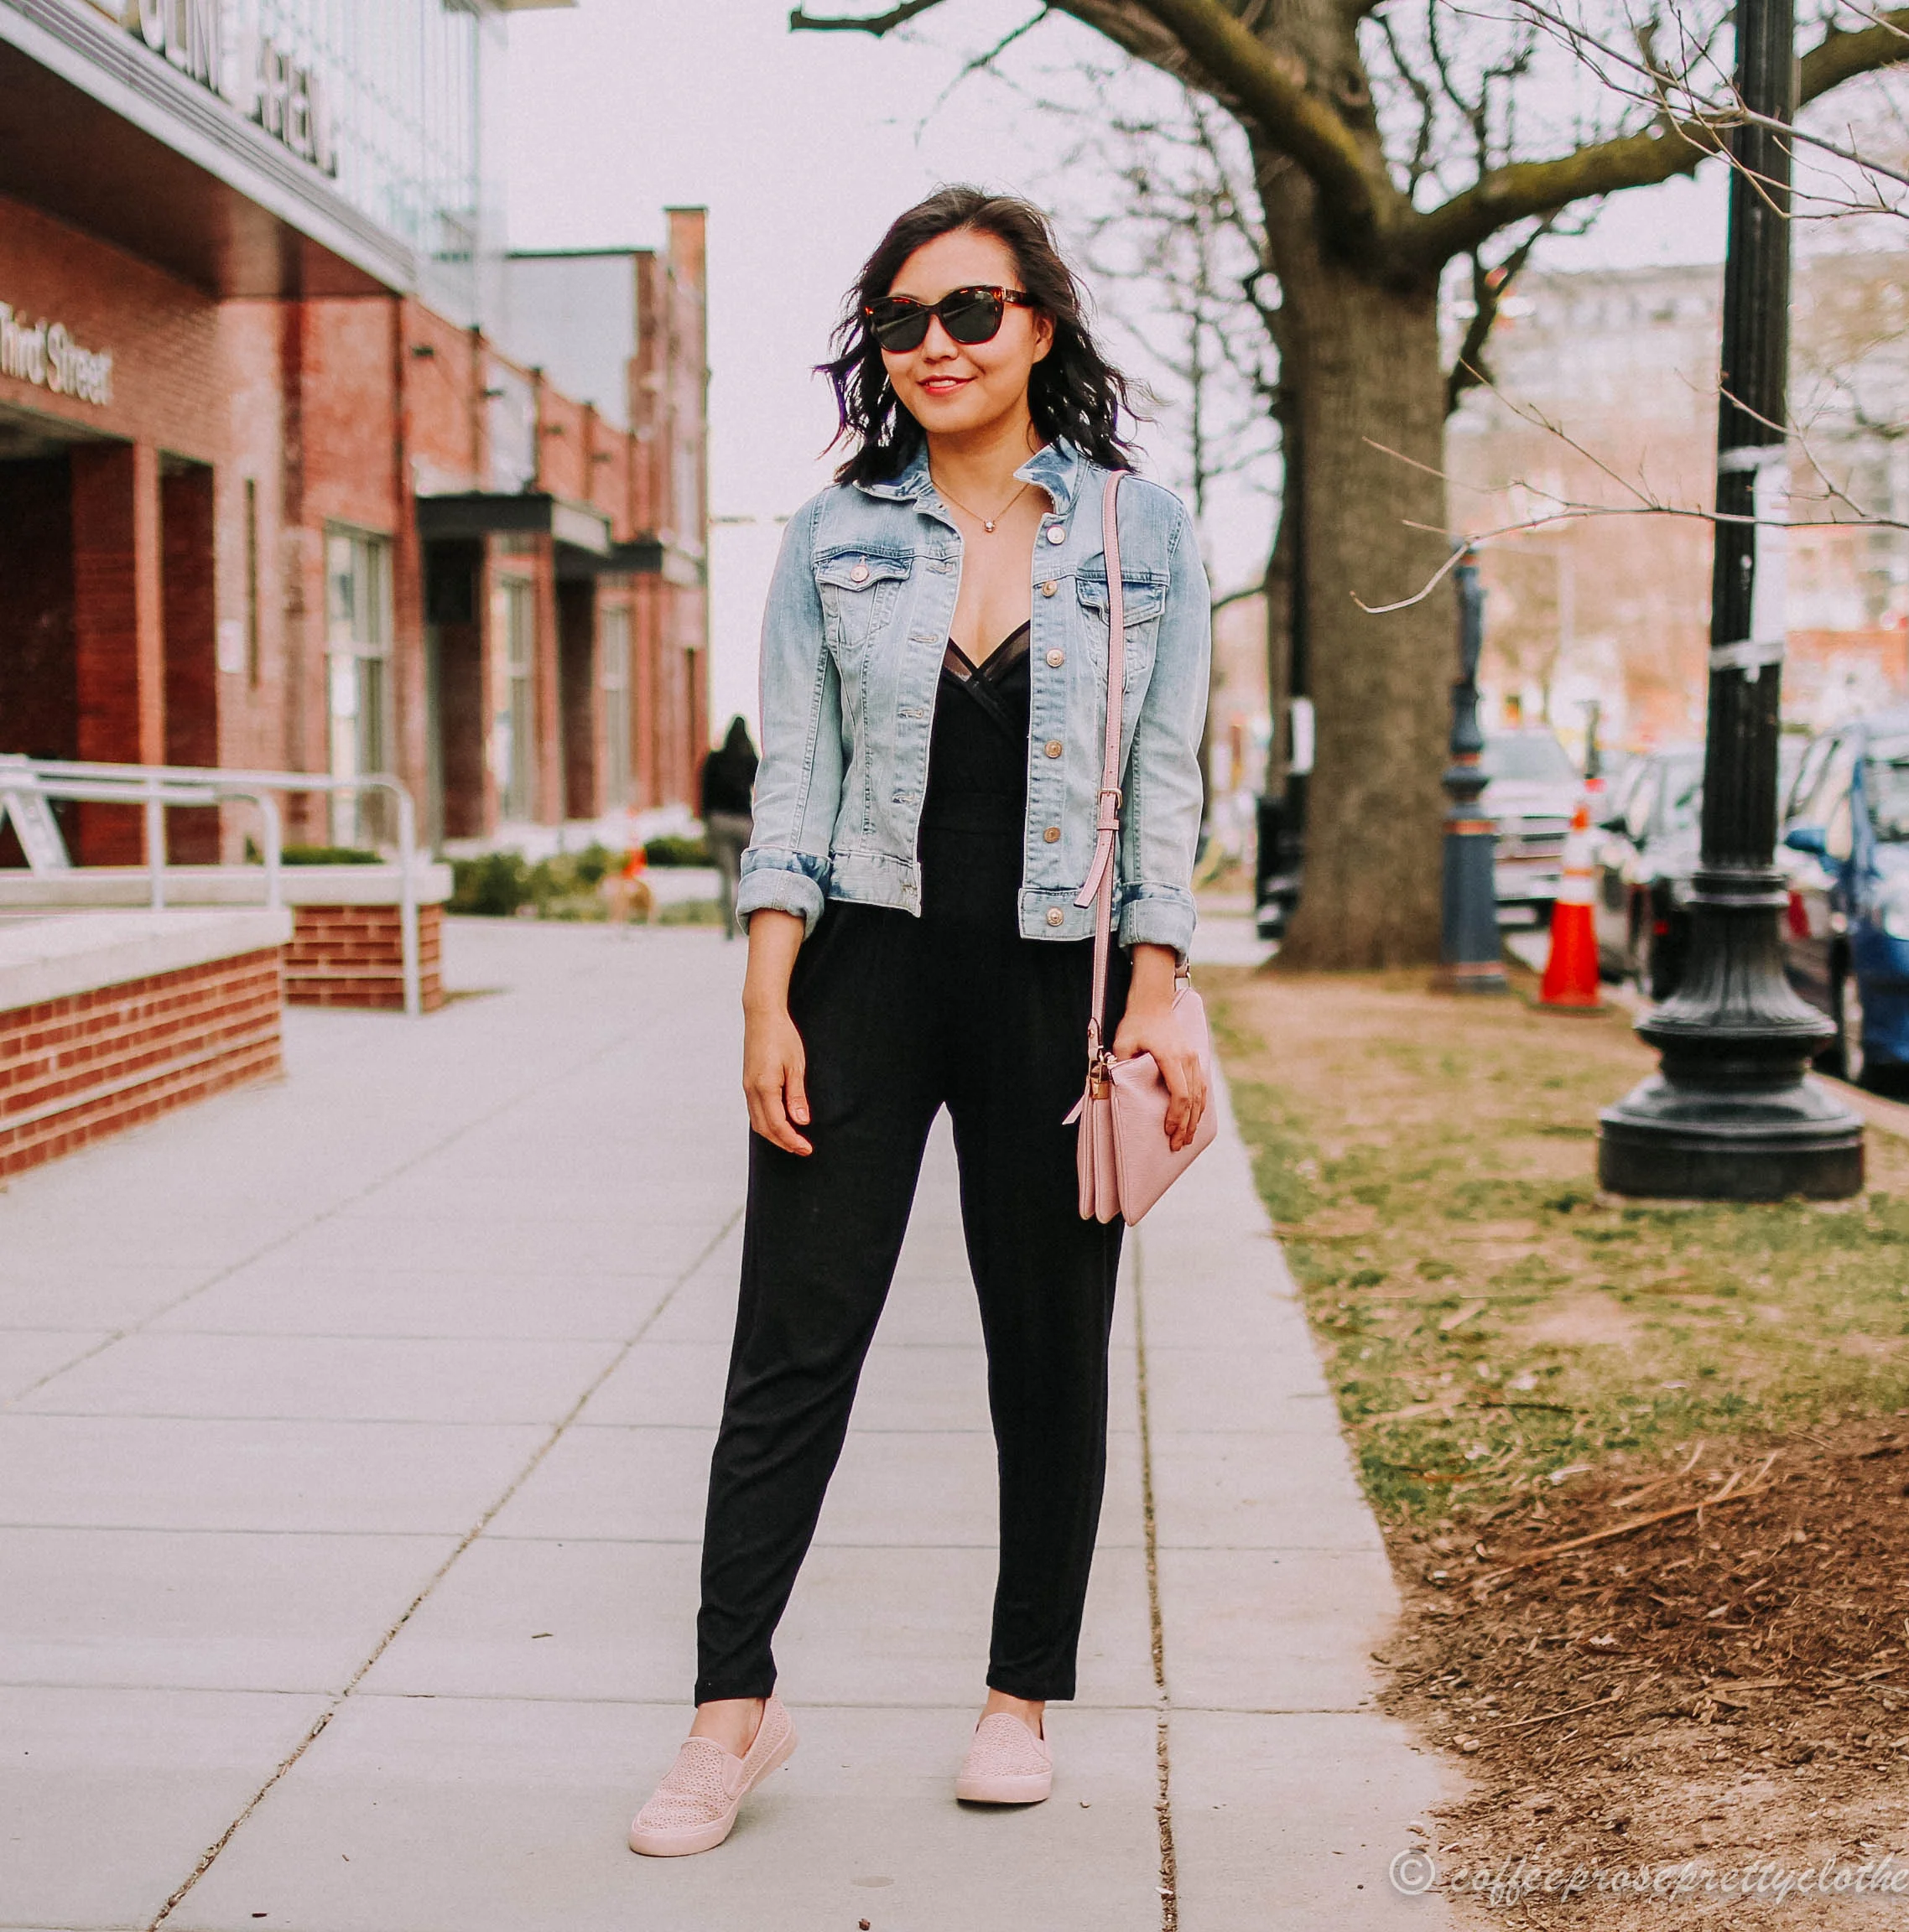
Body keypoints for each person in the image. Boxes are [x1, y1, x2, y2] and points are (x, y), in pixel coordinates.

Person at [628, 185, 1211, 1859]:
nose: (935, 347)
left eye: (970, 312)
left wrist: (1152, 997)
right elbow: (790, 782)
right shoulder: (832, 537)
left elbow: (1162, 781)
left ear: (1040, 326)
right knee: (791, 1348)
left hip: (1060, 979)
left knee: (1050, 1347)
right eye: (903, 321)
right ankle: (729, 1711)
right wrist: (765, 992)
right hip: (861, 972)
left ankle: (1020, 1696)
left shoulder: (1139, 532)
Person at [700, 718, 759, 937]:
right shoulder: (749, 759)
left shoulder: (714, 759)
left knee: (726, 876)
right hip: (744, 822)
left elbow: (704, 794)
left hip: (719, 821)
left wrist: (706, 823)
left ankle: (729, 926)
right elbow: (762, 784)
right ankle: (745, 923)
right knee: (745, 875)